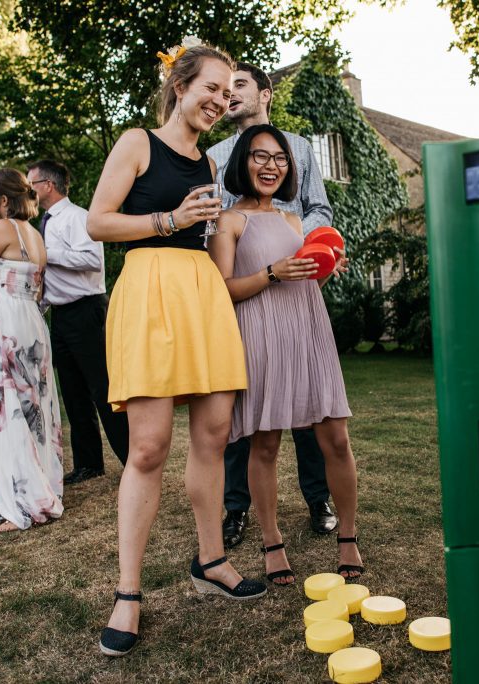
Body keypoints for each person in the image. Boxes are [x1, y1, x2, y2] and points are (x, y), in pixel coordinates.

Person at [86, 42, 265, 658]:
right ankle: (128, 594)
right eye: (211, 88)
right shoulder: (137, 142)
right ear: (180, 85)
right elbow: (98, 223)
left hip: (201, 295)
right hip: (149, 291)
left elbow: (211, 240)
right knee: (148, 447)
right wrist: (168, 218)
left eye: (229, 92)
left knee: (215, 436)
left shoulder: (210, 167)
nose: (220, 100)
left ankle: (211, 558)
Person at [209, 125, 363, 586]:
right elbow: (222, 290)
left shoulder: (296, 222)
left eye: (279, 158)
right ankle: (273, 544)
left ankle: (349, 539)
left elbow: (305, 281)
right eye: (260, 156)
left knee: (335, 437)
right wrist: (273, 272)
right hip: (261, 333)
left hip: (308, 328)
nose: (271, 166)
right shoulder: (228, 221)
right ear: (243, 163)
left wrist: (325, 268)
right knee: (266, 444)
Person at [207, 62, 337, 546]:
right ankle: (236, 508)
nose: (229, 94)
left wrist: (301, 248)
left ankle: (318, 496)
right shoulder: (215, 154)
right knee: (243, 404)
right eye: (223, 87)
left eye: (239, 85)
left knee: (309, 403)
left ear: (265, 94)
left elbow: (318, 208)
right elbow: (214, 223)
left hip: (296, 282)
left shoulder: (299, 147)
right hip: (246, 290)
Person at [0, 168, 64, 533]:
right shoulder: (34, 235)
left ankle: (20, 503)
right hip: (29, 320)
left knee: (5, 406)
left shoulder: (2, 229)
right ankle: (41, 487)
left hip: (4, 319)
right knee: (32, 401)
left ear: (2, 200)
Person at [27, 159, 130, 484]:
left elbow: (90, 260)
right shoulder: (42, 222)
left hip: (87, 311)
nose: (28, 191)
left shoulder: (78, 217)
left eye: (32, 184)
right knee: (72, 391)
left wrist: (45, 252)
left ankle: (133, 461)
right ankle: (89, 463)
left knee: (103, 388)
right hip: (60, 314)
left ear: (48, 185)